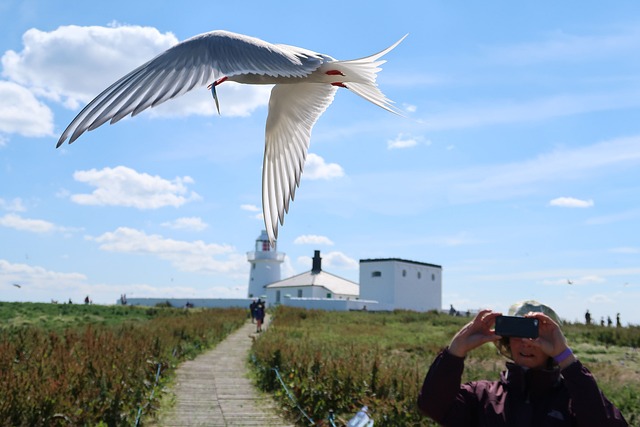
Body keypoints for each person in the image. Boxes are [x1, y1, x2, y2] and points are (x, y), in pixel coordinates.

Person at [417, 300, 628, 426]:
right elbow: (433, 406)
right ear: (507, 341)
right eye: (518, 333)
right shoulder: (482, 396)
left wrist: (566, 358)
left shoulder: (572, 399)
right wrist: (455, 351)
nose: (526, 344)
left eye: (536, 335)